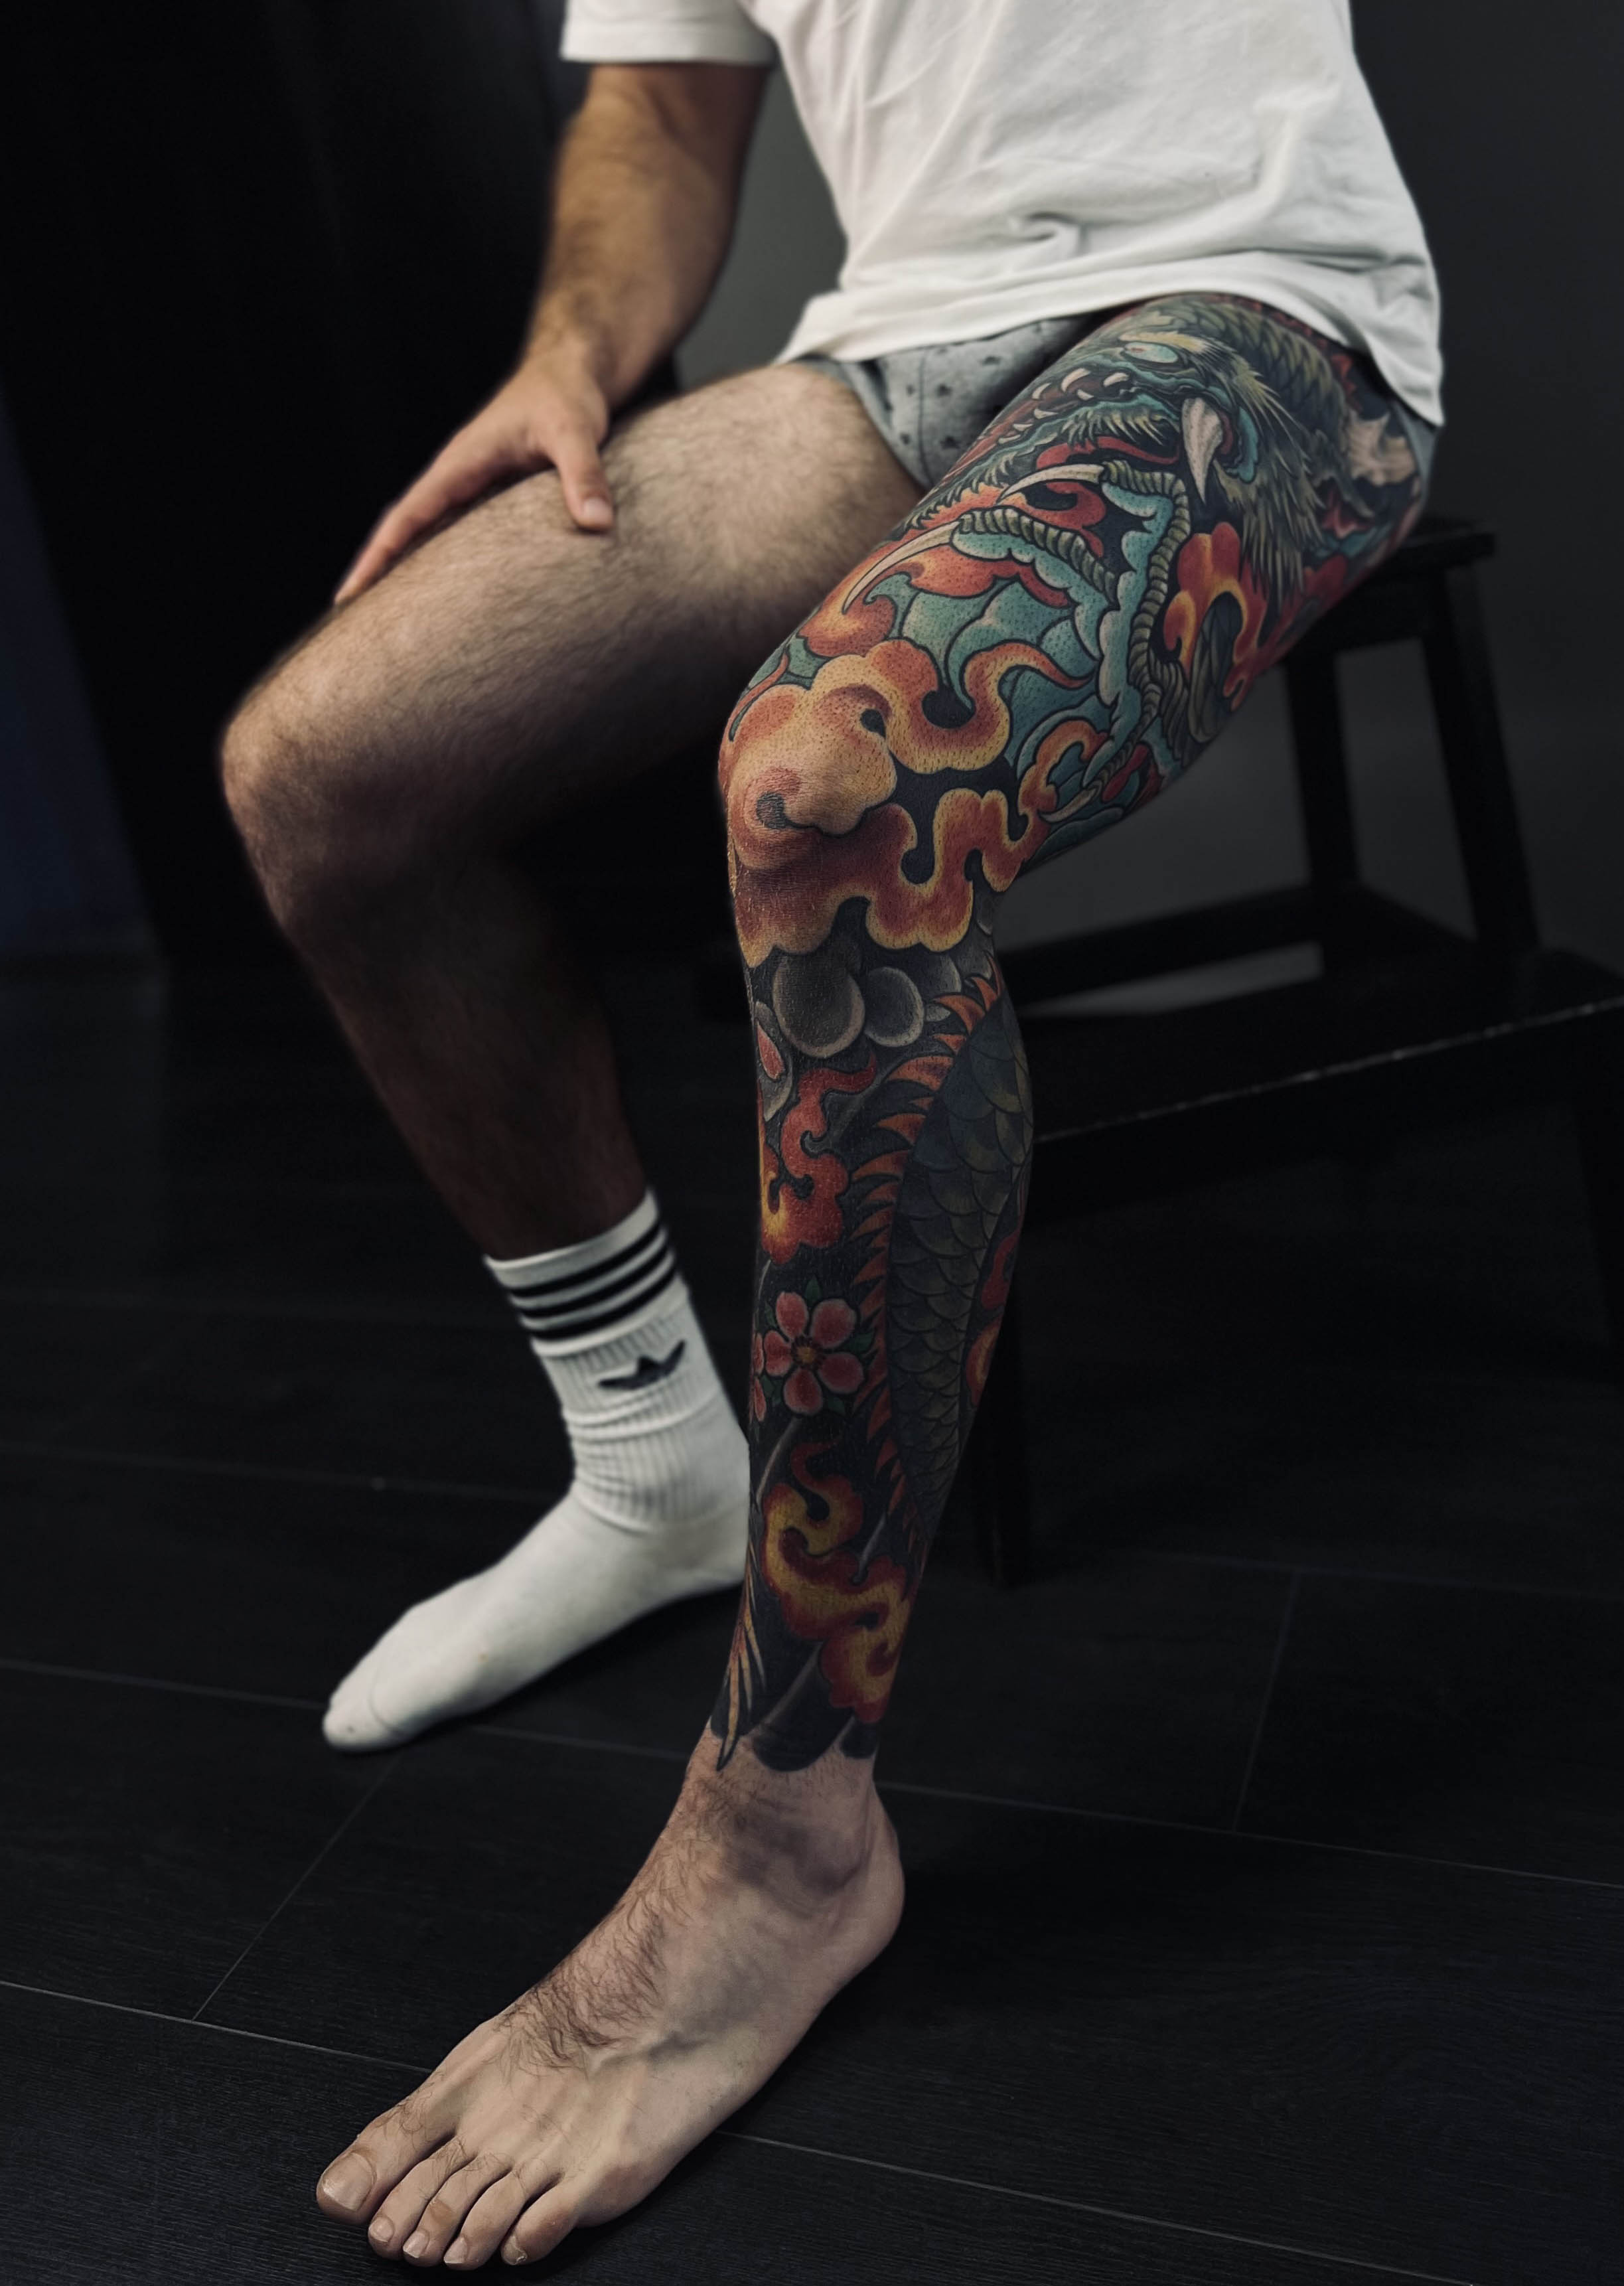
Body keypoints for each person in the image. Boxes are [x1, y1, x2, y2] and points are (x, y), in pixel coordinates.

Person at [220, 0, 1441, 2264]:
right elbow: (660, 106)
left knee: (832, 783)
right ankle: (653, 1470)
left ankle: (788, 1837)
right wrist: (573, 350)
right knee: (320, 772)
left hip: (1256, 301)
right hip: (893, 352)